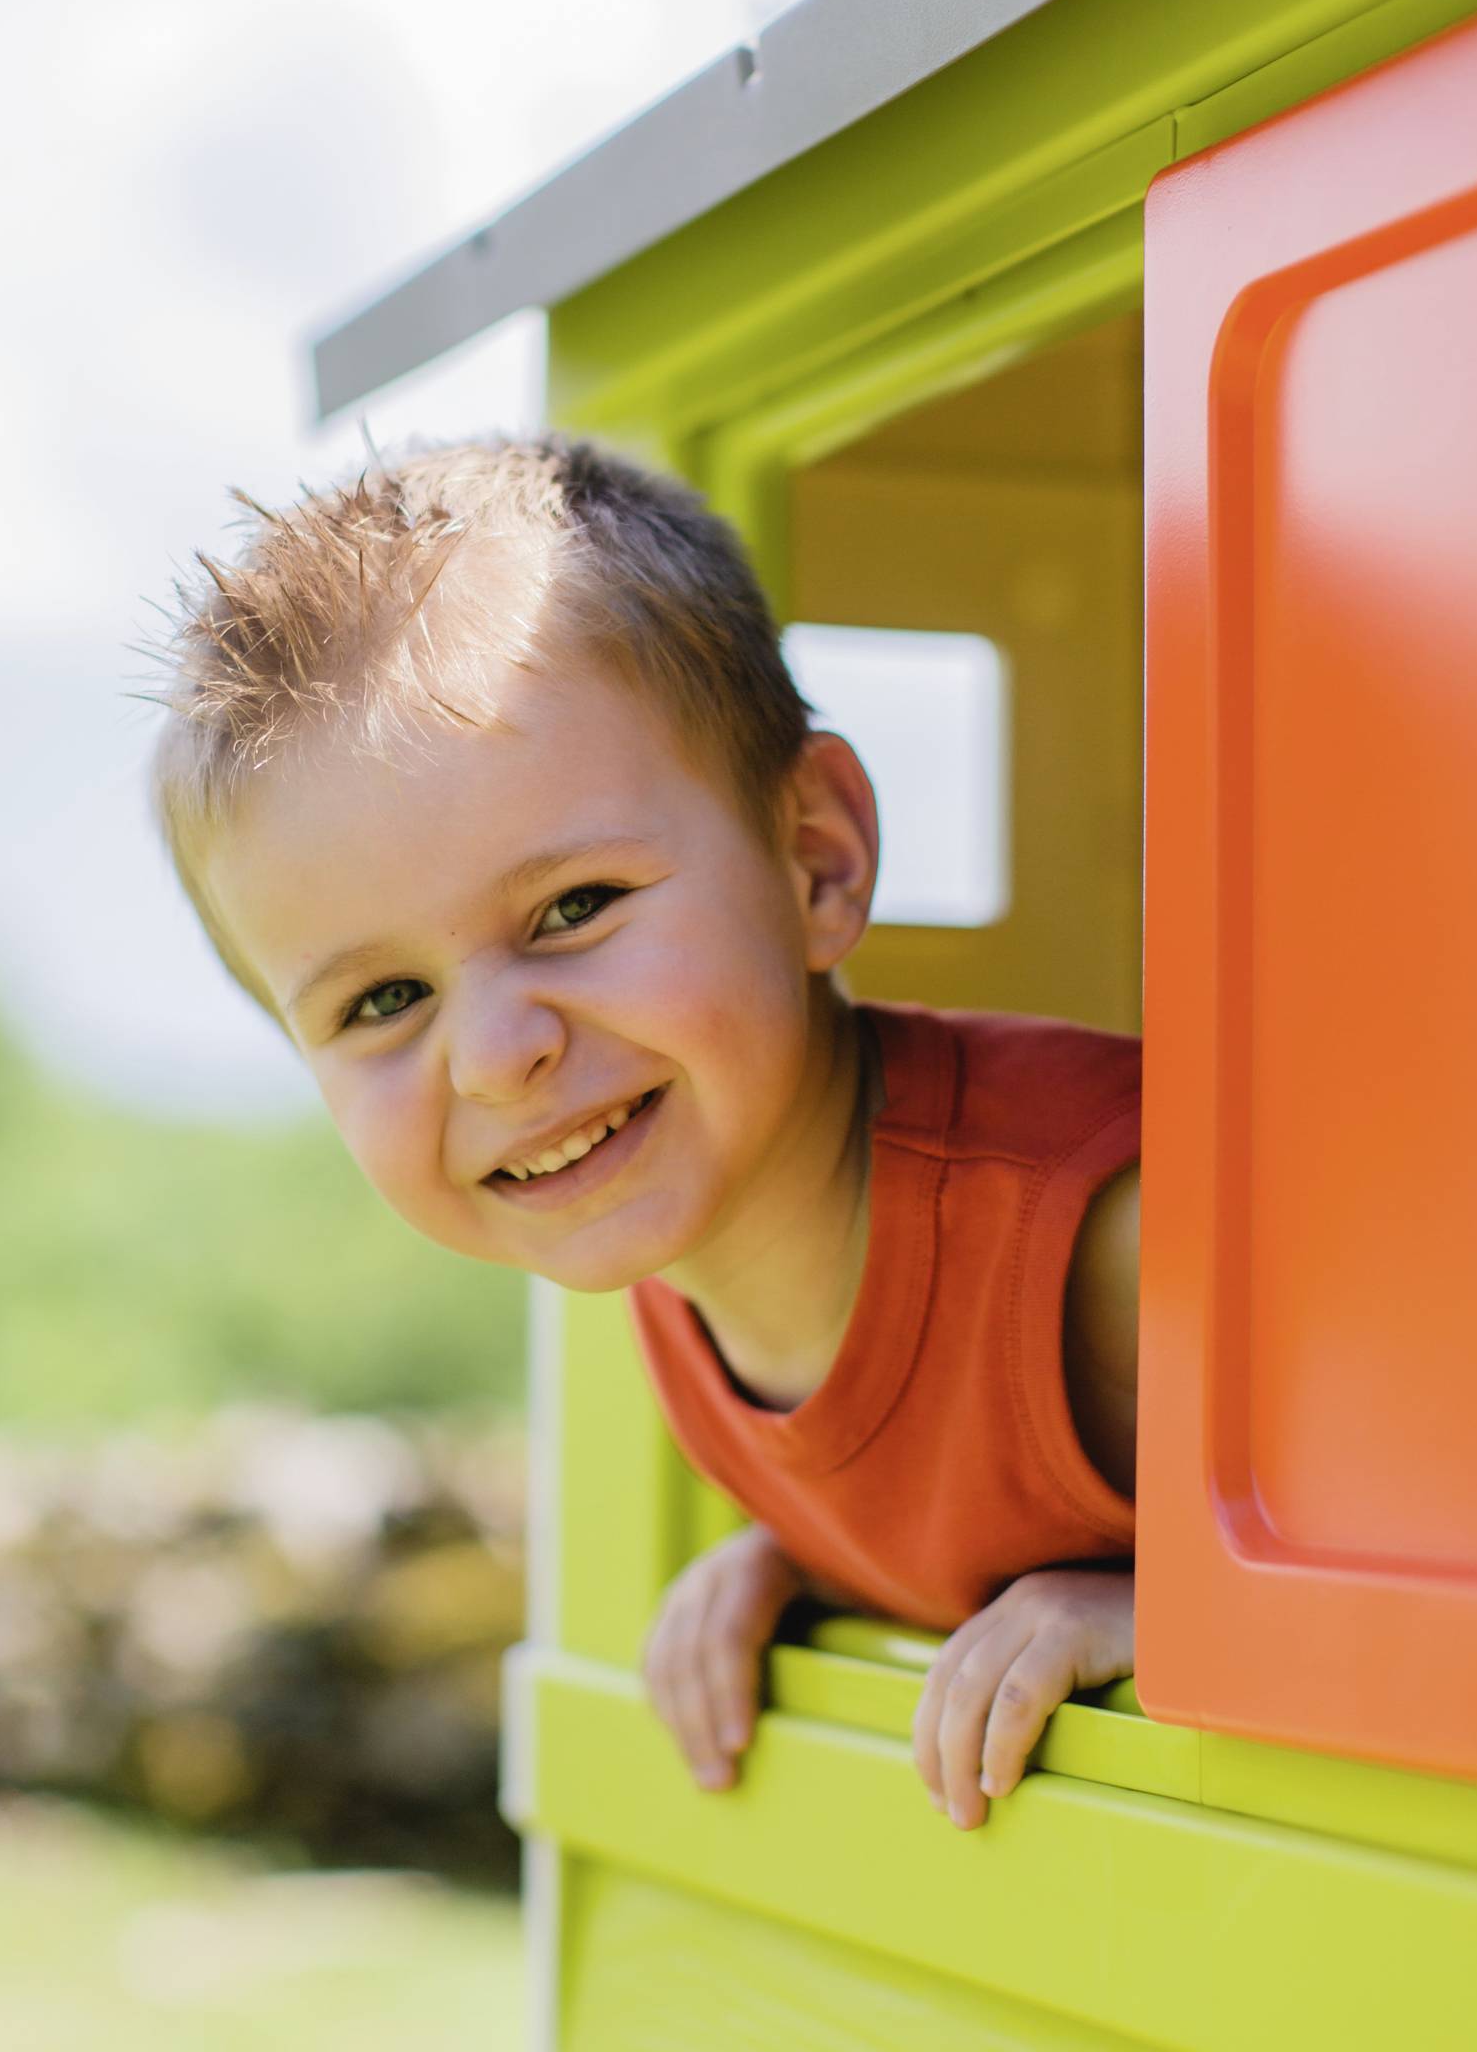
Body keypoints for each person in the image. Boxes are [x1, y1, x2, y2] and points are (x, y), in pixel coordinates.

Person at [152, 434, 1140, 1832]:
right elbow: (944, 1459)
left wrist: (1172, 1621)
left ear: (816, 862)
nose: (501, 1056)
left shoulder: (1105, 1244)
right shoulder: (688, 1237)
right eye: (383, 1000)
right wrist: (803, 1563)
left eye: (576, 908)